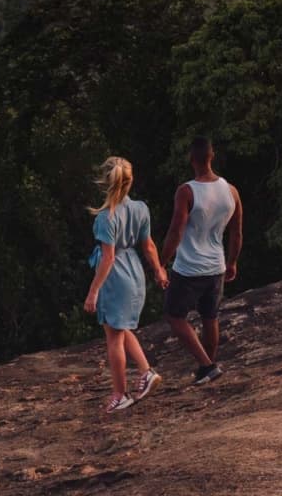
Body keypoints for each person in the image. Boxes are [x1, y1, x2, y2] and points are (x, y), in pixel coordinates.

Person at [84, 156, 168, 412]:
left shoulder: (105, 218)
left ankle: (120, 394)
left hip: (115, 275)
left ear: (104, 182)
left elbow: (108, 258)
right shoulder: (140, 208)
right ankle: (146, 372)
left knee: (113, 337)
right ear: (129, 182)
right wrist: (158, 270)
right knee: (121, 328)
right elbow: (149, 245)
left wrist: (93, 291)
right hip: (134, 271)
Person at [161, 136, 243, 385]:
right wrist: (232, 262)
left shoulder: (187, 191)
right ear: (212, 156)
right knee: (210, 317)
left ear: (191, 158)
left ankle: (207, 365)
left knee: (175, 316)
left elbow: (176, 231)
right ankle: (207, 367)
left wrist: (162, 262)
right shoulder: (231, 191)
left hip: (189, 267)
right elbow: (237, 232)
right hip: (216, 265)